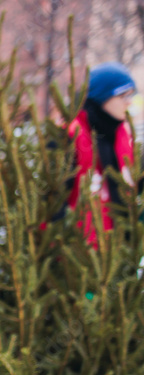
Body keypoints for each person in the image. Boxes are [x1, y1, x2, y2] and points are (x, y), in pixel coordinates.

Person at [67, 62, 137, 247]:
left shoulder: (122, 135)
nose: (128, 102)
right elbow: (54, 201)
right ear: (102, 97)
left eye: (130, 95)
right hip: (80, 255)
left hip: (119, 253)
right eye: (122, 95)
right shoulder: (72, 136)